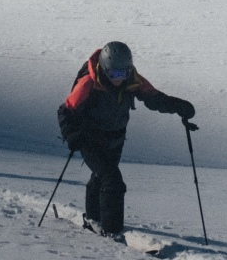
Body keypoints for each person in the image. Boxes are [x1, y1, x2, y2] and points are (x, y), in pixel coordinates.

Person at [56, 41, 195, 240]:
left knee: (100, 177)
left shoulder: (133, 79)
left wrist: (179, 106)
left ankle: (93, 219)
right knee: (113, 181)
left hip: (116, 138)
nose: (118, 79)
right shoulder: (89, 82)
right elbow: (65, 110)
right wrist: (71, 135)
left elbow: (153, 98)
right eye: (114, 74)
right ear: (104, 69)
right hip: (89, 138)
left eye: (123, 73)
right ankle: (112, 232)